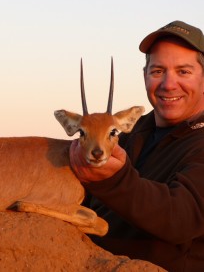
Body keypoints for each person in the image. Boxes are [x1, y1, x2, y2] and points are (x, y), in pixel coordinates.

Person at [70, 20, 204, 272]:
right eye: (158, 71)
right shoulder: (130, 131)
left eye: (183, 71)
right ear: (144, 76)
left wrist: (114, 181)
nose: (168, 84)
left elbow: (181, 217)